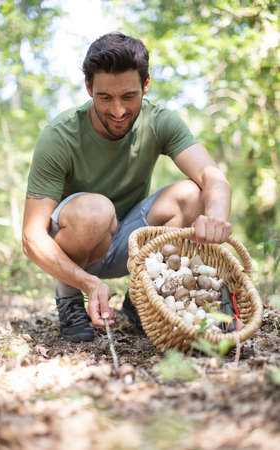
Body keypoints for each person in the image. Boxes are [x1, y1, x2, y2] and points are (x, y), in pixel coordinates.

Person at [22, 32, 231, 343]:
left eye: (129, 96)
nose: (118, 111)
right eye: (105, 97)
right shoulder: (60, 135)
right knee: (96, 210)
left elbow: (213, 177)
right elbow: (31, 236)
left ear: (145, 86)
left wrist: (214, 218)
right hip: (78, 241)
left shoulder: (160, 121)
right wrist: (87, 282)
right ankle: (69, 299)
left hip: (130, 241)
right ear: (89, 88)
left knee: (193, 194)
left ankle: (140, 295)